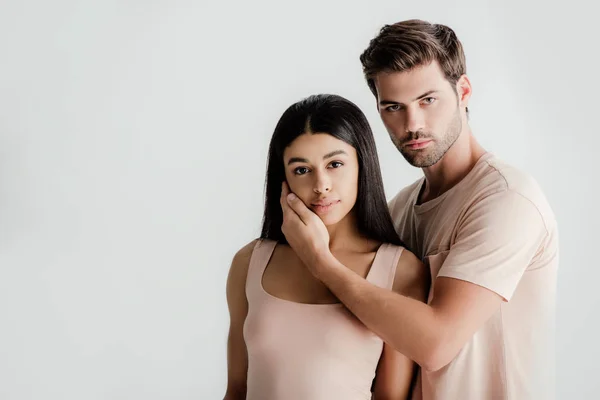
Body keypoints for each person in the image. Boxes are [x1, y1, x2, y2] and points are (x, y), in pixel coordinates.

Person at [279, 19, 558, 399]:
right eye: (394, 107)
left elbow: (436, 344)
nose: (413, 124)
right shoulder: (400, 209)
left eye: (428, 100)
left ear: (464, 91)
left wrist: (321, 262)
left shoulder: (507, 200)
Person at [224, 94, 429, 400]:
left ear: (363, 164)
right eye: (302, 170)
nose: (321, 185)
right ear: (284, 180)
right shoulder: (250, 262)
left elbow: (390, 397)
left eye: (334, 164)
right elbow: (236, 390)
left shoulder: (399, 271)